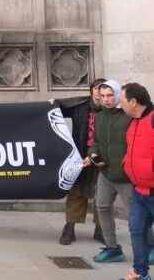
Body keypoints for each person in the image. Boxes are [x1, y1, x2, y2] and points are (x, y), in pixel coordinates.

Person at [84, 80, 154, 263]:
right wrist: (93, 155)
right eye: (103, 96)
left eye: (110, 95)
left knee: (137, 217)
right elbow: (96, 142)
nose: (106, 99)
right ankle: (112, 248)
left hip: (127, 176)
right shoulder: (99, 117)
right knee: (102, 207)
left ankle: (150, 247)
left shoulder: (128, 116)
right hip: (105, 173)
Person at [56, 78, 106, 245]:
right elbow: (59, 108)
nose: (99, 92)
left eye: (103, 89)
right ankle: (70, 227)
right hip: (80, 156)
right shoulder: (81, 105)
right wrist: (51, 103)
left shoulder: (111, 109)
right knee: (76, 191)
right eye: (96, 88)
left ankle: (101, 228)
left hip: (102, 159)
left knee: (103, 193)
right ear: (91, 90)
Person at [119, 83, 154, 280]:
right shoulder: (132, 122)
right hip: (139, 191)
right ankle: (140, 274)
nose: (120, 105)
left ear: (133, 101)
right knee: (137, 230)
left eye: (122, 101)